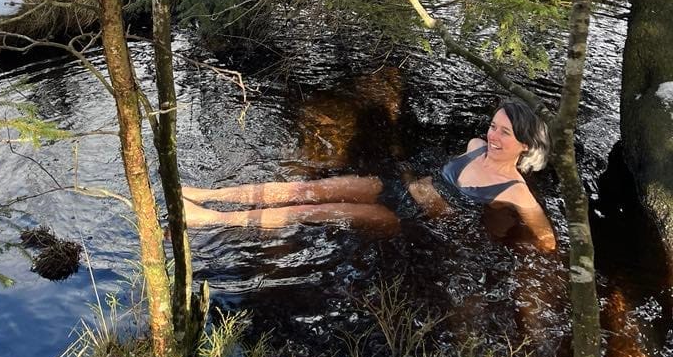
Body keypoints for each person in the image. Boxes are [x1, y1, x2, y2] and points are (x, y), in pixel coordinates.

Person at [183, 99, 557, 251]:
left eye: (505, 133)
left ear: (525, 145)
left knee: (312, 211)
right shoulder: (475, 145)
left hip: (405, 218)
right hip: (394, 188)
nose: (493, 136)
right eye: (494, 126)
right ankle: (204, 194)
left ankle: (210, 219)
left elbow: (547, 242)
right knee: (306, 189)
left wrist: (500, 233)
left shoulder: (518, 193)